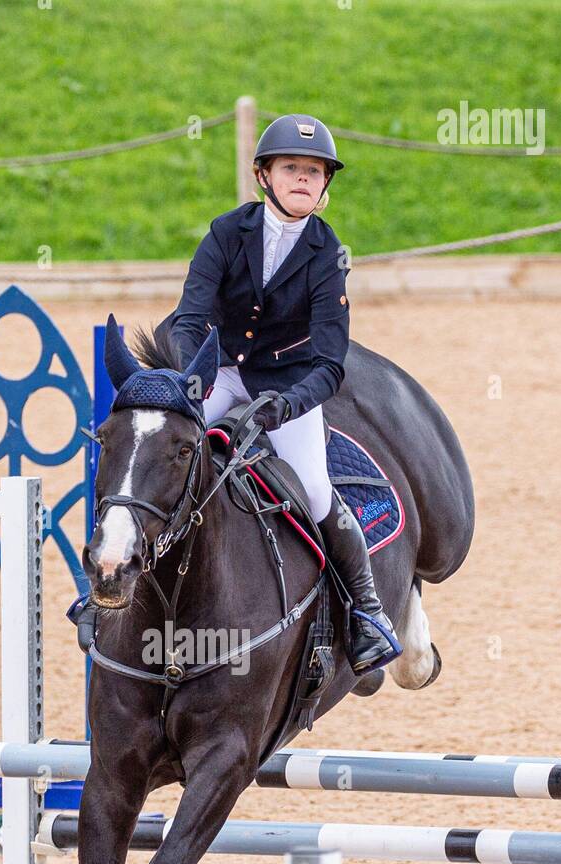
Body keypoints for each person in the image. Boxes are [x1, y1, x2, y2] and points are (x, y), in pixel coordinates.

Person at [168, 113, 397, 672]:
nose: (303, 178)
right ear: (263, 175)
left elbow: (328, 360)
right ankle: (106, 581)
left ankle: (365, 612)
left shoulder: (327, 252)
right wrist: (192, 382)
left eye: (315, 172)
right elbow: (187, 319)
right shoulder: (227, 231)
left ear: (324, 186)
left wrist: (287, 404)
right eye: (291, 168)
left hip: (287, 385)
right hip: (219, 372)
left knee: (316, 492)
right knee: (159, 446)